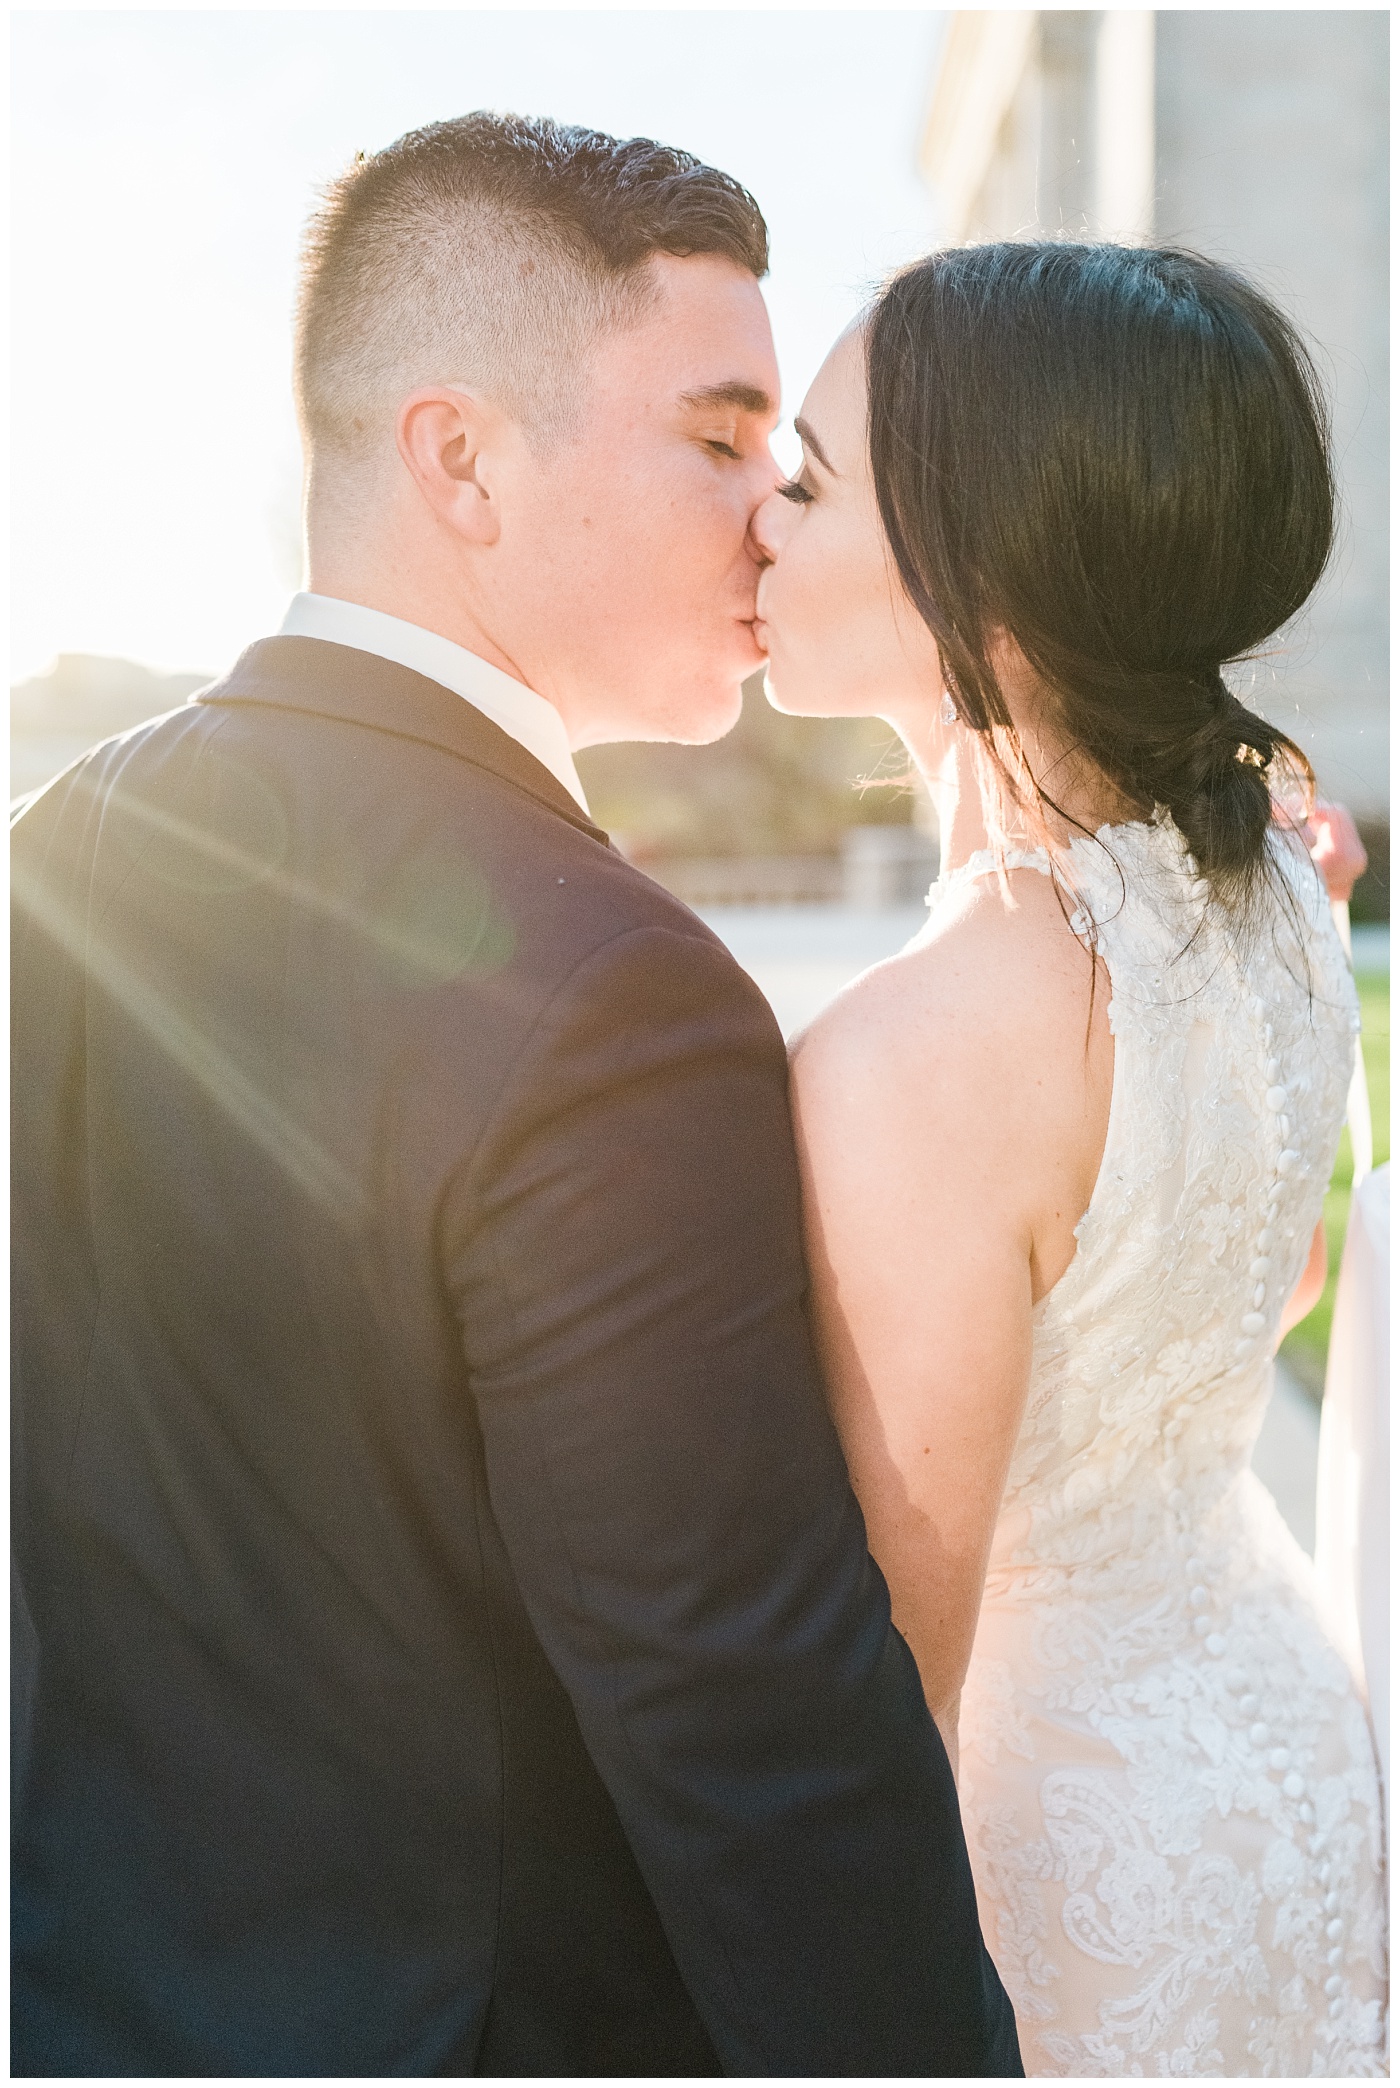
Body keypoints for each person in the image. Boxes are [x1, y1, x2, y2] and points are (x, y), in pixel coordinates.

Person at [10, 117, 1020, 2077]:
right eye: (718, 438)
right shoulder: (614, 995)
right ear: (460, 457)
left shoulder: (59, 844)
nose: (772, 515)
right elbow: (743, 1712)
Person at [752, 242, 1386, 2075]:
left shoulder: (921, 1054)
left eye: (804, 480)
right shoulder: (1270, 883)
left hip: (1076, 1870)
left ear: (989, 565)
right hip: (1285, 1765)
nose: (759, 526)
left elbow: (898, 1666)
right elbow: (1270, 1285)